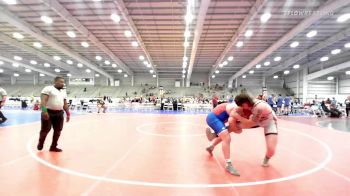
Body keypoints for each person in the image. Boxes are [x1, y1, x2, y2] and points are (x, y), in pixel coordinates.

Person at [230, 93, 278, 167]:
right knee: (233, 126)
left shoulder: (259, 107)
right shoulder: (249, 104)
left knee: (271, 150)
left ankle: (267, 158)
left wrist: (236, 116)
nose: (242, 107)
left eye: (242, 105)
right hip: (258, 121)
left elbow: (250, 124)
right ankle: (215, 135)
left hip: (269, 122)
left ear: (245, 103)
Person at [205, 102, 241, 176]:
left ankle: (212, 144)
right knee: (226, 137)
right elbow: (238, 130)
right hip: (213, 118)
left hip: (219, 119)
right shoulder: (235, 108)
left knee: (225, 134)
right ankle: (228, 164)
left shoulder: (239, 107)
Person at [37, 76, 70, 152]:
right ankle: (41, 143)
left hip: (59, 113)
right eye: (61, 82)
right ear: (55, 82)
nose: (63, 83)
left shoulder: (63, 91)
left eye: (63, 82)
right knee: (45, 130)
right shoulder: (48, 88)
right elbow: (43, 101)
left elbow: (65, 104)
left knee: (58, 131)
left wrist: (68, 113)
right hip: (48, 112)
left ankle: (53, 147)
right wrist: (44, 111)